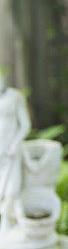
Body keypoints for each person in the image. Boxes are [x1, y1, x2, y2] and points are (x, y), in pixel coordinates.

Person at [0, 71, 31, 237]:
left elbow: (25, 124)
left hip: (11, 152)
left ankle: (10, 221)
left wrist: (15, 143)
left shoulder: (15, 97)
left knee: (12, 190)